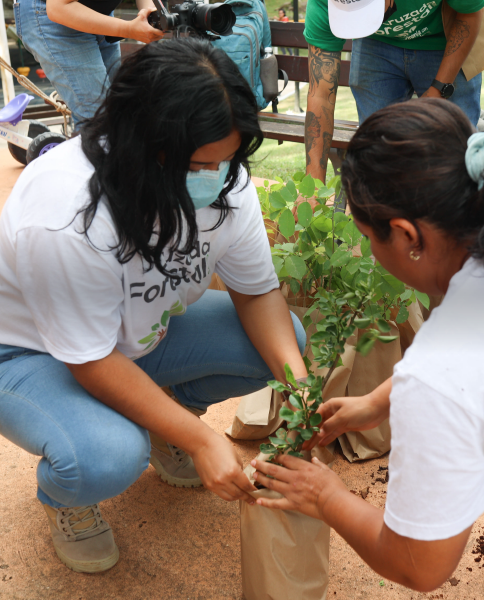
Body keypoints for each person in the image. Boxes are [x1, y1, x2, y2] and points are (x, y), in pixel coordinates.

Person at [252, 99, 484, 599]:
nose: (369, 251)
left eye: (369, 237)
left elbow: (420, 567)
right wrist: (377, 403)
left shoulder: (441, 371)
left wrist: (325, 495)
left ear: (407, 235)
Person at [0, 38, 307, 574]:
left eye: (227, 158)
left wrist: (301, 389)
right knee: (111, 454)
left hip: (130, 337)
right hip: (28, 354)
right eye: (197, 164)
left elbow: (258, 293)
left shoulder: (221, 182)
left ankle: (165, 421)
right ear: (137, 142)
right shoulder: (66, 212)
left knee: (288, 347)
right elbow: (90, 359)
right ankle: (69, 497)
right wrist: (202, 439)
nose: (216, 177)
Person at [302, 0, 484, 185]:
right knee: (375, 154)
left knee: (456, 151)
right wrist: (312, 187)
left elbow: (470, 13)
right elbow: (321, 94)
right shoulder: (323, 3)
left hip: (443, 36)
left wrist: (439, 90)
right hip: (376, 43)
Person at [14, 0, 163, 128]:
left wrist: (152, 14)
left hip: (96, 10)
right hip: (53, 11)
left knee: (117, 106)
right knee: (97, 119)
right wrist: (128, 29)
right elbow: (58, 7)